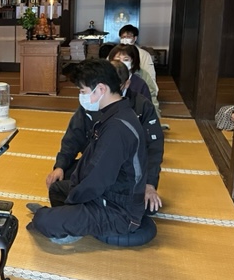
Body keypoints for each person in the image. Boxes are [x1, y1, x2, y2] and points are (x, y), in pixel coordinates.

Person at [29, 59, 147, 244]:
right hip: (106, 194)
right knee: (57, 189)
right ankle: (65, 219)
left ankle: (56, 219)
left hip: (117, 210)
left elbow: (98, 180)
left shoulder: (117, 129)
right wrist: (68, 177)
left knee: (43, 221)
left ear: (101, 89)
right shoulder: (114, 113)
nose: (81, 96)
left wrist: (73, 200)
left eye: (83, 91)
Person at [46, 61, 163, 215]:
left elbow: (154, 148)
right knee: (62, 182)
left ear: (126, 84)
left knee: (145, 205)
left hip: (125, 172)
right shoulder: (93, 103)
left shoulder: (139, 108)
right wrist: (60, 165)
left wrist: (149, 184)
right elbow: (73, 136)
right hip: (98, 162)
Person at [108, 44, 161, 117]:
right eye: (117, 60)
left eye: (126, 60)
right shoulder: (104, 78)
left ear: (133, 62)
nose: (121, 63)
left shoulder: (141, 82)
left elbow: (150, 106)